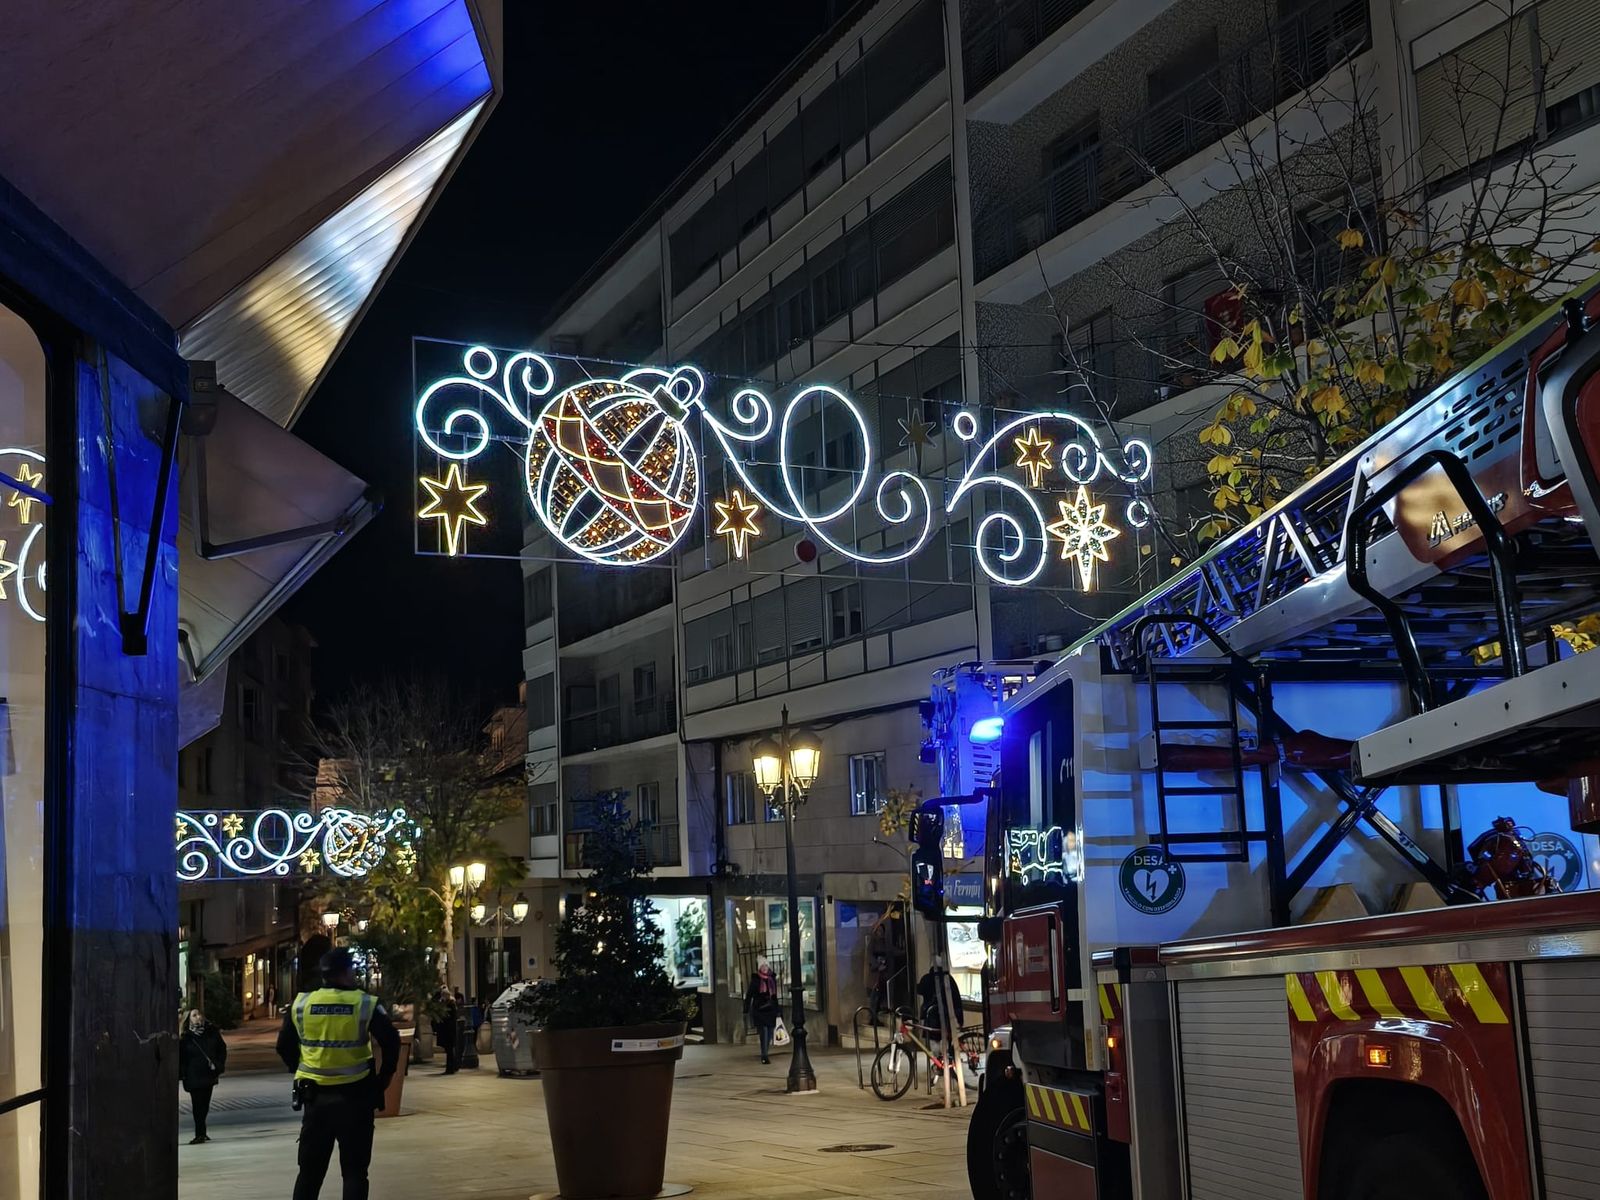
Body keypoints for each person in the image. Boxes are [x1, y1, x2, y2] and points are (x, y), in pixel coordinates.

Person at [277, 948, 401, 1200]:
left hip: (315, 1100)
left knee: (310, 1174)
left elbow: (283, 1046)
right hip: (356, 1100)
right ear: (346, 972)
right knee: (355, 1173)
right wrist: (384, 1078)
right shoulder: (365, 1003)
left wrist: (299, 1069)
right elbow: (391, 1041)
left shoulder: (302, 1004)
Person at [178, 1009, 227, 1144]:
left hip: (208, 1075)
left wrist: (218, 1064)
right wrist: (182, 1073)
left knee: (204, 1105)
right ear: (189, 1020)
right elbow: (181, 1058)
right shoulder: (185, 1037)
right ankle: (200, 1133)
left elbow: (222, 1049)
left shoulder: (212, 1032)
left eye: (199, 1014)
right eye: (194, 1015)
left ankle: (202, 1132)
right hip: (193, 1076)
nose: (198, 1017)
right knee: (197, 1105)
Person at [743, 957, 782, 1064]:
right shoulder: (755, 980)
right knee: (763, 1032)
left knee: (769, 1032)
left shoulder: (772, 979)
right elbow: (749, 995)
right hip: (759, 1009)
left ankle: (766, 1051)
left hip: (770, 1010)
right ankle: (764, 1055)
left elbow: (774, 996)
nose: (764, 968)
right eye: (762, 966)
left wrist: (778, 1010)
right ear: (759, 968)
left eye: (766, 966)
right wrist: (746, 1008)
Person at [432, 987, 460, 1075]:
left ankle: (451, 1068)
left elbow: (447, 1018)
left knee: (450, 1050)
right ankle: (452, 1067)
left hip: (449, 1032)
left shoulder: (450, 1005)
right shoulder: (449, 1004)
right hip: (448, 1031)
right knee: (450, 1050)